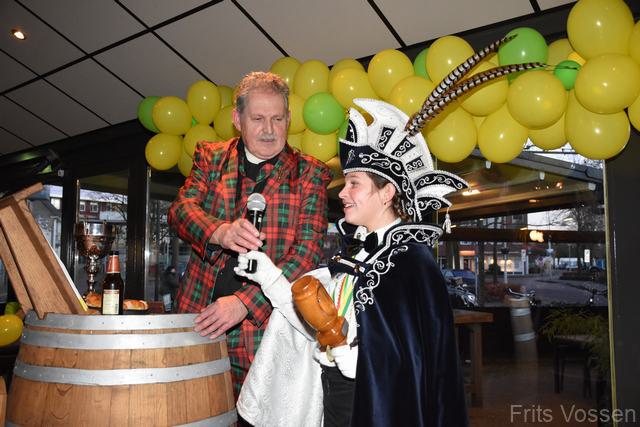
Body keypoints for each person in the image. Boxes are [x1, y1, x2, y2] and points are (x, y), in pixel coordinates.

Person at [234, 98, 469, 426]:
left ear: (386, 193)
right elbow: (319, 324)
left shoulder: (410, 263)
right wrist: (268, 276)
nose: (343, 193)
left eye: (354, 183)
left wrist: (356, 358)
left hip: (372, 404)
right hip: (335, 396)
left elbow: (411, 359)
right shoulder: (355, 255)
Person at [167, 71, 332, 396]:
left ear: (288, 119)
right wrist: (219, 231)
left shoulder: (310, 173)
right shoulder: (211, 157)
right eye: (257, 119)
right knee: (188, 410)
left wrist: (245, 303)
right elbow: (180, 211)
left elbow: (306, 254)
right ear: (237, 119)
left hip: (265, 333)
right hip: (198, 321)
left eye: (277, 119)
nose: (269, 130)